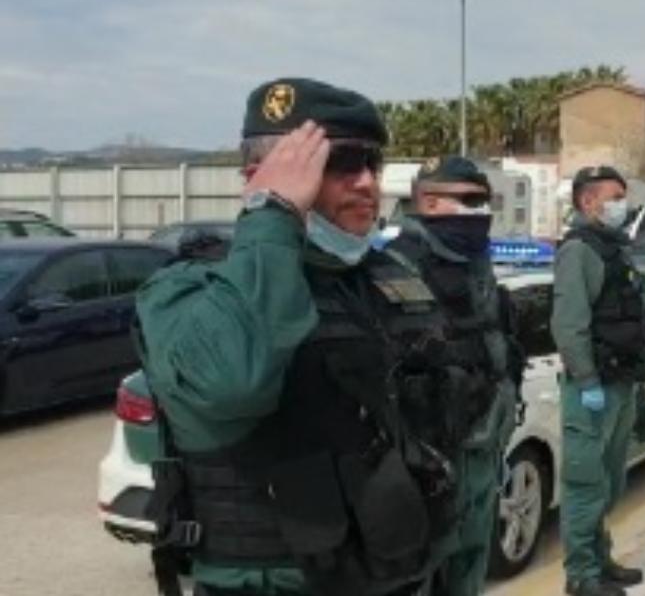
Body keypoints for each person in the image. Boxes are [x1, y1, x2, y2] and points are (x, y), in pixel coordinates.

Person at [136, 78, 449, 596]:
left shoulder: (376, 277)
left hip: (395, 568)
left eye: (374, 163)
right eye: (340, 163)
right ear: (264, 175)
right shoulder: (188, 289)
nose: (367, 183)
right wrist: (273, 216)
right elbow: (231, 384)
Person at [389, 156, 521, 596]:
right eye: (467, 200)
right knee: (429, 563)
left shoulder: (472, 258)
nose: (480, 211)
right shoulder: (398, 261)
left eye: (484, 200)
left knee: (472, 553)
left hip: (483, 436)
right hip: (434, 449)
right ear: (427, 201)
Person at [551, 165, 645, 596]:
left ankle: (600, 557)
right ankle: (581, 575)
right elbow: (570, 323)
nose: (620, 205)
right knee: (586, 484)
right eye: (613, 196)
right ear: (588, 201)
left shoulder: (615, 248)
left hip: (621, 379)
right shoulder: (579, 250)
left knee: (610, 481)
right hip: (593, 385)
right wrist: (586, 378)